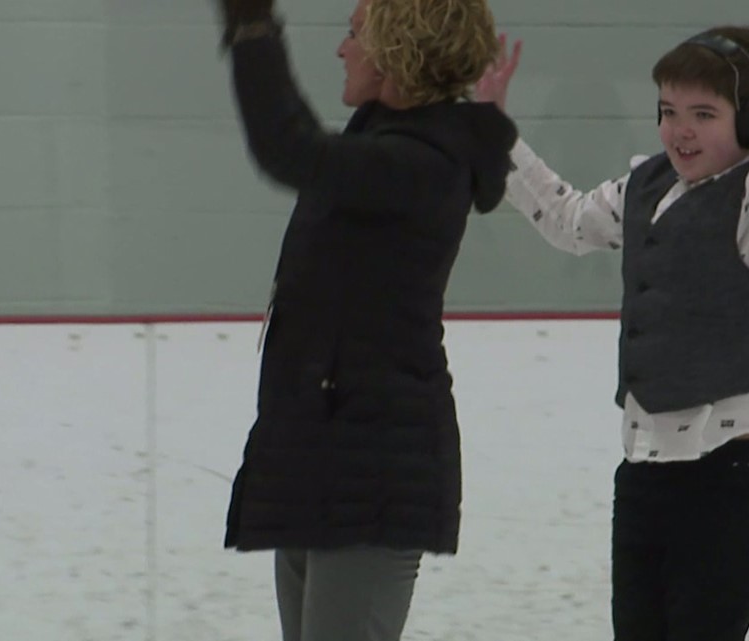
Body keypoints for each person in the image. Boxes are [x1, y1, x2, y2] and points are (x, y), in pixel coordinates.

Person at [475, 0, 749, 638]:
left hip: (730, 474)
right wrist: (497, 129)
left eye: (703, 114)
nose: (679, 131)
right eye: (668, 112)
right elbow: (569, 220)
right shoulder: (646, 186)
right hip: (643, 472)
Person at [216, 0, 516, 639]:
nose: (342, 49)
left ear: (398, 55)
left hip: (373, 471)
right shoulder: (390, 143)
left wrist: (252, 27)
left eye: (355, 35)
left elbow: (288, 147)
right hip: (317, 453)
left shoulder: (420, 166)